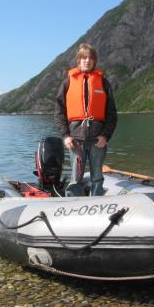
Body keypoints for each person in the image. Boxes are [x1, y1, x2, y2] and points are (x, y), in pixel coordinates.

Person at [54, 43, 117, 196]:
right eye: (84, 58)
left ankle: (96, 203)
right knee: (76, 178)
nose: (87, 61)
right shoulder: (68, 82)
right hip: (76, 140)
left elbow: (112, 114)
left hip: (97, 140)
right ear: (79, 61)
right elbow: (59, 111)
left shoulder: (103, 82)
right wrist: (66, 135)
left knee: (97, 177)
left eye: (90, 58)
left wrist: (105, 136)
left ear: (94, 61)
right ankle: (72, 204)